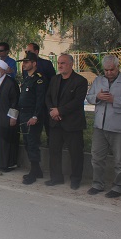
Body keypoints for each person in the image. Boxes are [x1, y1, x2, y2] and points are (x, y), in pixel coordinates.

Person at [44, 53, 88, 190]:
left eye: (63, 63)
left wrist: (60, 111)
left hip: (72, 123)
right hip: (56, 122)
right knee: (54, 151)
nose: (60, 65)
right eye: (59, 63)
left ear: (71, 64)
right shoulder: (55, 79)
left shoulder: (80, 81)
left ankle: (76, 179)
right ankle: (56, 178)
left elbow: (77, 102)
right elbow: (48, 97)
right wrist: (53, 111)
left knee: (75, 153)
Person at [86, 55, 121, 198]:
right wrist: (97, 97)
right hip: (99, 126)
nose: (109, 72)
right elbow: (89, 97)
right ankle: (97, 184)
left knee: (120, 159)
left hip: (119, 126)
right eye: (106, 70)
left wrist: (115, 100)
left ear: (117, 67)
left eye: (111, 70)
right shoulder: (98, 80)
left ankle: (119, 187)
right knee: (97, 157)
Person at [17, 52, 47, 184]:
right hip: (24, 115)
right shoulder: (27, 78)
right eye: (24, 62)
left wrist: (35, 116)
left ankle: (33, 172)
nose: (24, 64)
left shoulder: (39, 79)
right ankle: (37, 170)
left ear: (34, 63)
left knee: (33, 143)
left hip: (32, 115)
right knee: (28, 143)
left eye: (27, 62)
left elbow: (40, 100)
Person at [24, 42, 56, 143]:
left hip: (45, 99)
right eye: (26, 51)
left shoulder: (46, 64)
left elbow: (52, 81)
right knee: (32, 133)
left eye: (29, 51)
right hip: (32, 102)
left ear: (36, 51)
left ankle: (51, 143)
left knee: (48, 125)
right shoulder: (25, 66)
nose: (27, 53)